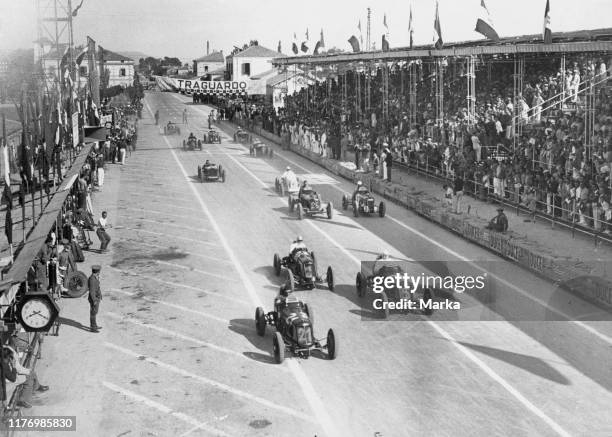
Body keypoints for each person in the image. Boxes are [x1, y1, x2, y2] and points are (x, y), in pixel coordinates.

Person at [88, 265, 102, 333]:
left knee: (94, 312)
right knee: (93, 313)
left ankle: (94, 325)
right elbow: (92, 291)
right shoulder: (92, 280)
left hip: (96, 298)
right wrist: (94, 300)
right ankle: (93, 328)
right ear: (97, 272)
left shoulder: (94, 277)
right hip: (94, 299)